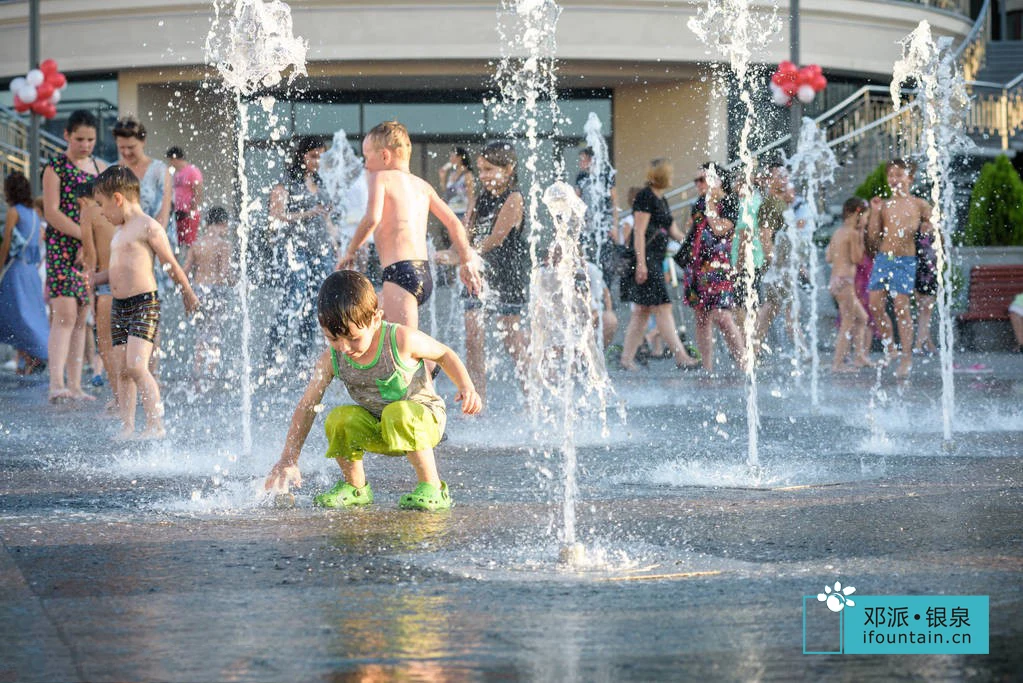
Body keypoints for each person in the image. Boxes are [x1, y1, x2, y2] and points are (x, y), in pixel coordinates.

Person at [263, 270, 482, 510]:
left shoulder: (399, 340)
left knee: (397, 413)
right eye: (333, 339)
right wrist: (289, 458)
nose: (344, 347)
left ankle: (433, 488)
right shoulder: (332, 358)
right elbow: (307, 405)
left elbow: (443, 353)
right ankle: (356, 487)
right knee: (338, 419)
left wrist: (467, 386)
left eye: (353, 338)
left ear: (375, 320)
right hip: (379, 426)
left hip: (423, 420)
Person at [339, 122, 482, 331]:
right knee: (365, 326)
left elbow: (371, 218)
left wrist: (350, 251)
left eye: (367, 157)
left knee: (404, 348)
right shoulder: (423, 186)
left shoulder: (380, 177)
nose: (365, 165)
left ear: (385, 156)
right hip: (421, 274)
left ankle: (441, 364)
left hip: (399, 274)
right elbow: (453, 222)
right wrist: (466, 260)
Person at [93, 166, 199, 440]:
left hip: (143, 304)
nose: (102, 212)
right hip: (120, 305)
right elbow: (116, 270)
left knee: (137, 366)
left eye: (102, 205)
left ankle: (155, 426)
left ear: (118, 199)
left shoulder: (148, 227)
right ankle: (128, 426)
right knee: (122, 370)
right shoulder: (120, 231)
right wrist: (94, 279)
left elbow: (170, 264)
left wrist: (187, 291)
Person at [436, 141, 529, 402]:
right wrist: (454, 251)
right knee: (472, 336)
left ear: (508, 168)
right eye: (481, 170)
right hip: (478, 271)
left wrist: (462, 257)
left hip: (508, 272)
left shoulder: (514, 198)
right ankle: (477, 399)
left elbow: (495, 240)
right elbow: (465, 230)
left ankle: (532, 397)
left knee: (512, 341)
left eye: (489, 169)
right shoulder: (480, 197)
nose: (484, 176)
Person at [42, 110, 108, 402]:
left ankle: (76, 385)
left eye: (91, 139)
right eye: (79, 138)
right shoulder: (54, 167)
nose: (85, 144)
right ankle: (56, 383)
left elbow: (104, 212)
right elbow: (52, 211)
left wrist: (92, 243)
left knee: (82, 314)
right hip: (61, 244)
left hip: (89, 250)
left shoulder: (99, 168)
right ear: (66, 135)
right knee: (64, 314)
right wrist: (83, 236)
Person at [263, 136, 337, 370]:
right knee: (296, 294)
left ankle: (302, 356)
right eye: (313, 156)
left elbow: (326, 217)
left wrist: (337, 244)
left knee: (317, 301)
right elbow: (276, 215)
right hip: (294, 249)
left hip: (321, 249)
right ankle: (273, 352)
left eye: (320, 156)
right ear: (301, 155)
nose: (317, 161)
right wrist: (307, 214)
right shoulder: (286, 181)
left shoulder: (321, 182)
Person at [619, 159, 700, 371]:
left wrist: (694, 244)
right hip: (647, 262)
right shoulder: (646, 197)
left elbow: (673, 231)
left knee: (642, 312)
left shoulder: (661, 199)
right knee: (663, 308)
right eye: (669, 173)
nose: (672, 177)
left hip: (655, 260)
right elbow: (638, 232)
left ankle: (626, 360)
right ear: (661, 175)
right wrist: (641, 264)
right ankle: (681, 356)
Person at [866, 158, 932, 378]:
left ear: (910, 178)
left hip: (906, 261)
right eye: (891, 175)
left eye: (899, 175)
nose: (894, 179)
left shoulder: (919, 204)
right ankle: (890, 347)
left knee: (901, 308)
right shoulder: (884, 205)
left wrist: (928, 225)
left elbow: (936, 225)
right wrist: (874, 213)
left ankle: (906, 357)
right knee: (874, 305)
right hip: (885, 258)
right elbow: (874, 238)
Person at [682, 163, 745, 373]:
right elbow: (691, 231)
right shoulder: (698, 204)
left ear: (719, 180)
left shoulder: (729, 201)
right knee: (701, 317)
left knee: (723, 317)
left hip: (719, 268)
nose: (700, 184)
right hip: (697, 267)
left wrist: (710, 204)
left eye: (704, 179)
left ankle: (744, 365)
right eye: (697, 180)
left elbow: (719, 230)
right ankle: (707, 370)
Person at [79, 179, 122, 410]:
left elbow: (91, 258)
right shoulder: (121, 209)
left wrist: (89, 296)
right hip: (131, 284)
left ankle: (119, 401)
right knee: (127, 349)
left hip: (105, 287)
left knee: (106, 347)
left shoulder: (88, 212)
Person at [0, 172, 48, 372]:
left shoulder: (14, 211)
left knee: (13, 314)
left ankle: (40, 353)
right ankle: (30, 357)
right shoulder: (34, 214)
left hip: (16, 270)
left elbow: (7, 243)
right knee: (30, 315)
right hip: (31, 272)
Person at [183, 206, 235, 385]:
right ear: (222, 224)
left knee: (201, 331)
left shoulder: (197, 244)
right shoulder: (224, 244)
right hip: (215, 291)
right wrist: (235, 281)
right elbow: (224, 273)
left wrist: (187, 293)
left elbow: (184, 271)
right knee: (214, 331)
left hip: (198, 290)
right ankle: (210, 373)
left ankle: (197, 372)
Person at [753, 163, 797, 356]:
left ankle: (754, 346)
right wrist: (773, 263)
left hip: (784, 264)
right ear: (770, 180)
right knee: (773, 305)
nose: (784, 180)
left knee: (776, 305)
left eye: (785, 176)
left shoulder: (781, 202)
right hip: (776, 265)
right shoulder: (770, 204)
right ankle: (753, 346)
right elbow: (765, 236)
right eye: (779, 176)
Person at [826, 198, 873, 372]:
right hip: (845, 281)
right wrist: (861, 236)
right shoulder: (853, 233)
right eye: (866, 217)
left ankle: (859, 356)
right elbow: (857, 258)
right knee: (847, 322)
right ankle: (837, 364)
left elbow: (828, 257)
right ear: (857, 214)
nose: (866, 221)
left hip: (835, 280)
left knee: (862, 318)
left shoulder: (837, 232)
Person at [575, 146, 620, 288]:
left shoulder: (606, 176)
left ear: (591, 160)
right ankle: (591, 292)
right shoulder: (581, 177)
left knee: (606, 262)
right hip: (587, 226)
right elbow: (576, 200)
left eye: (582, 159)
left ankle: (606, 297)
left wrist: (614, 226)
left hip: (604, 226)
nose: (580, 163)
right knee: (587, 260)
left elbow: (615, 202)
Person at [166, 146, 204, 257]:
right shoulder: (176, 174)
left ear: (175, 159)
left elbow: (198, 190)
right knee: (176, 243)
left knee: (189, 245)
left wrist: (191, 210)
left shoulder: (192, 171)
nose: (170, 164)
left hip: (188, 215)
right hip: (178, 214)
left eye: (170, 160)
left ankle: (189, 270)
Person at [912, 222, 938, 356]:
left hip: (932, 277)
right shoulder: (915, 237)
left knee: (925, 311)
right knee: (924, 311)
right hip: (919, 278)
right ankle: (918, 344)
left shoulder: (935, 236)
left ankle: (927, 343)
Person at [438, 146, 475, 225]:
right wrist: (442, 177)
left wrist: (468, 215)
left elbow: (471, 197)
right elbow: (446, 192)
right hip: (451, 211)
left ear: (460, 158)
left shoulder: (467, 175)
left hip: (462, 212)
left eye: (452, 156)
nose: (450, 159)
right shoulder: (452, 174)